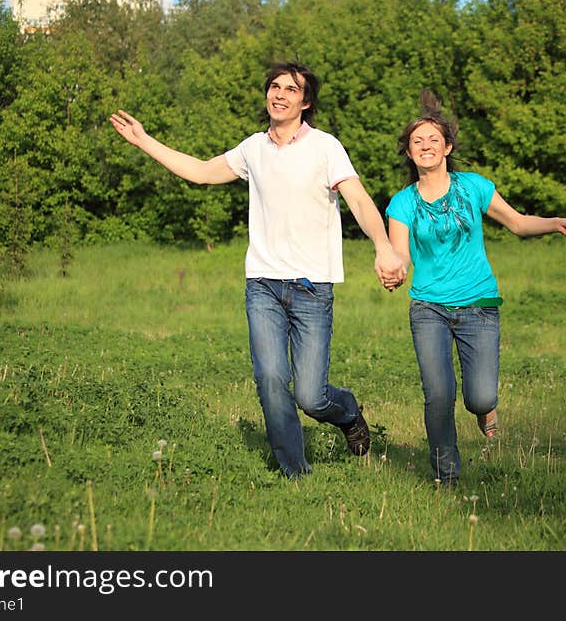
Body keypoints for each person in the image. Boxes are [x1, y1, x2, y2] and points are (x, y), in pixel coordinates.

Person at [109, 62, 406, 479]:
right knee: (270, 379)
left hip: (312, 287)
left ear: (305, 102)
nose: (279, 94)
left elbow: (357, 199)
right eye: (274, 86)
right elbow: (200, 172)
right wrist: (144, 142)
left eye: (291, 89)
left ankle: (348, 413)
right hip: (263, 285)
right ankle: (295, 473)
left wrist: (384, 248)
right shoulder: (253, 148)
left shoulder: (325, 147)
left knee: (311, 395)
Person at [383, 92, 566, 486]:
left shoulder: (474, 187)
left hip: (478, 305)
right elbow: (400, 254)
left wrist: (555, 221)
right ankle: (447, 476)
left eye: (432, 140)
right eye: (417, 142)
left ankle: (485, 409)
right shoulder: (402, 204)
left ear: (448, 147)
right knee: (438, 396)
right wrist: (395, 271)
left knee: (478, 397)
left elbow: (517, 222)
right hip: (429, 308)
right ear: (409, 154)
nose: (425, 147)